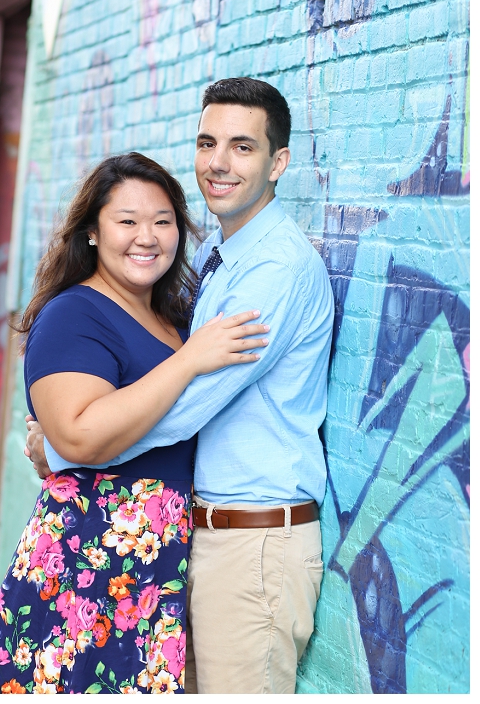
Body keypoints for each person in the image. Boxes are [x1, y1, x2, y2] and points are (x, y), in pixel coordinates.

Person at [24, 80, 334, 694]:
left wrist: (62, 448)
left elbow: (191, 404)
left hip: (255, 545)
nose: (218, 162)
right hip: (201, 539)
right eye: (207, 141)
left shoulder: (275, 267)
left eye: (243, 147)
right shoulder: (222, 257)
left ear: (279, 163)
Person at [0, 152, 269, 694]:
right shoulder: (74, 313)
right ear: (91, 233)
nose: (147, 237)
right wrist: (188, 361)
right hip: (88, 560)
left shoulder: (178, 316)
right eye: (126, 221)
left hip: (154, 566)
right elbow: (79, 434)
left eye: (162, 221)